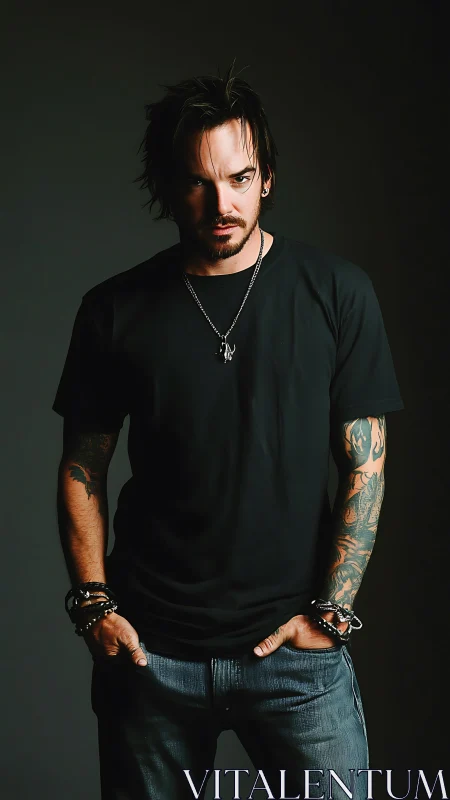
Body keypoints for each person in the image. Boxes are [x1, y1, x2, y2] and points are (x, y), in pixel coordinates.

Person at [53, 63, 404, 800]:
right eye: (198, 183)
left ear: (267, 176)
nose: (223, 203)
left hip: (296, 660)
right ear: (166, 185)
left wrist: (332, 614)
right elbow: (83, 467)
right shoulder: (114, 310)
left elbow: (365, 466)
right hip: (152, 658)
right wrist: (94, 607)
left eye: (241, 178)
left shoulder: (337, 293)